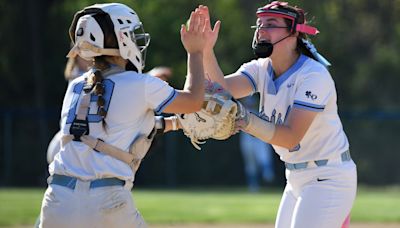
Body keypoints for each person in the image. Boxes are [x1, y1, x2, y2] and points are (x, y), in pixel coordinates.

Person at [38, 3, 208, 227]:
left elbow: (112, 131)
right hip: (107, 200)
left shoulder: (76, 85)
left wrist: (174, 124)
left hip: (57, 199)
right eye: (130, 33)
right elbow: (194, 101)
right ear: (121, 39)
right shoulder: (141, 84)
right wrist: (195, 52)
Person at [197, 2, 357, 228]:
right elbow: (219, 89)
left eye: (271, 24)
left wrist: (246, 119)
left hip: (329, 178)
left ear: (294, 32)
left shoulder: (313, 75)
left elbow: (290, 137)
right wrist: (204, 50)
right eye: (260, 24)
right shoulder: (261, 68)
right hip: (295, 178)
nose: (261, 30)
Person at [239, 95, 275, 192]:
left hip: (259, 138)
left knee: (264, 156)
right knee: (250, 164)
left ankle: (267, 171)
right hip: (247, 139)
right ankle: (253, 185)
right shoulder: (241, 114)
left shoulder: (259, 113)